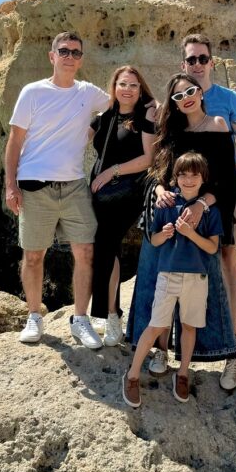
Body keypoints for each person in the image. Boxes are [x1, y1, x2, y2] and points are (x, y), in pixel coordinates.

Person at [125, 74, 236, 376]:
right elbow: (157, 173)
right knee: (156, 281)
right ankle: (159, 351)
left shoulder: (218, 124)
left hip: (203, 217)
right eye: (178, 96)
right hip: (167, 214)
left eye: (190, 91)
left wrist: (201, 205)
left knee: (202, 287)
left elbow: (226, 181)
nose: (185, 98)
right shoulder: (172, 131)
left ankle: (215, 353)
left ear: (200, 92)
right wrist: (160, 190)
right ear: (173, 104)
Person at [4, 31, 110, 348]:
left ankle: (80, 319)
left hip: (75, 185)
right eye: (64, 51)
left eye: (75, 52)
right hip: (35, 186)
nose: (69, 57)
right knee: (34, 256)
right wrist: (10, 186)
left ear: (81, 60)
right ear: (52, 56)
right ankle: (34, 316)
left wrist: (91, 130)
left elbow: (122, 104)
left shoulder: (88, 92)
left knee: (86, 253)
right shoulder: (33, 92)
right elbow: (15, 141)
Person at [180, 33, 236, 391]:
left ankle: (232, 340)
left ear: (211, 62)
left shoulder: (229, 101)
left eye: (202, 58)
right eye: (191, 59)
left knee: (228, 258)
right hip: (187, 193)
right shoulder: (179, 99)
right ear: (184, 64)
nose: (197, 64)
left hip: (224, 193)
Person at [123, 152, 222, 407]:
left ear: (203, 178)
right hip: (167, 275)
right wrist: (165, 234)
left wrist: (190, 233)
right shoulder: (166, 205)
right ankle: (132, 375)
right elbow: (154, 240)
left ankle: (183, 373)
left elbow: (212, 248)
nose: (188, 180)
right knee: (156, 325)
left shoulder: (209, 210)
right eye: (183, 175)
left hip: (197, 278)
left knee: (189, 326)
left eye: (194, 175)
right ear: (175, 177)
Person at [88, 66, 157, 345]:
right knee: (106, 247)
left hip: (128, 190)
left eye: (133, 85)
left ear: (141, 90)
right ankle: (109, 314)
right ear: (114, 87)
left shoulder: (145, 116)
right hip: (101, 192)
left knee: (105, 244)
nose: (127, 89)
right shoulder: (105, 116)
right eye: (123, 84)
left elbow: (149, 158)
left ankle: (111, 316)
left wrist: (111, 172)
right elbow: (76, 136)